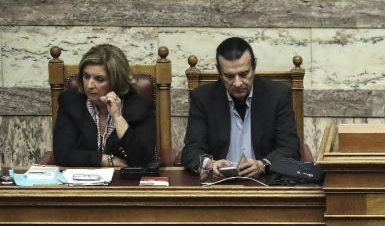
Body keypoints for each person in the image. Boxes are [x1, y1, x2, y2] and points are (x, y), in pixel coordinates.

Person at [181, 37, 300, 178]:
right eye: (229, 76)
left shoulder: (277, 95)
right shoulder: (203, 98)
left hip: (265, 183)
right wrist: (210, 164)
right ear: (220, 73)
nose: (237, 83)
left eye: (244, 74)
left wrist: (262, 165)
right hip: (218, 186)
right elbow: (191, 151)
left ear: (254, 68)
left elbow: (290, 148)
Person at [52, 44, 156, 168]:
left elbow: (142, 159)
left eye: (99, 79)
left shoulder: (141, 107)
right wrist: (106, 160)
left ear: (117, 80)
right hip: (80, 182)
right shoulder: (70, 102)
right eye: (86, 76)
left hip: (123, 183)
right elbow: (63, 154)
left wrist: (117, 117)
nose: (89, 85)